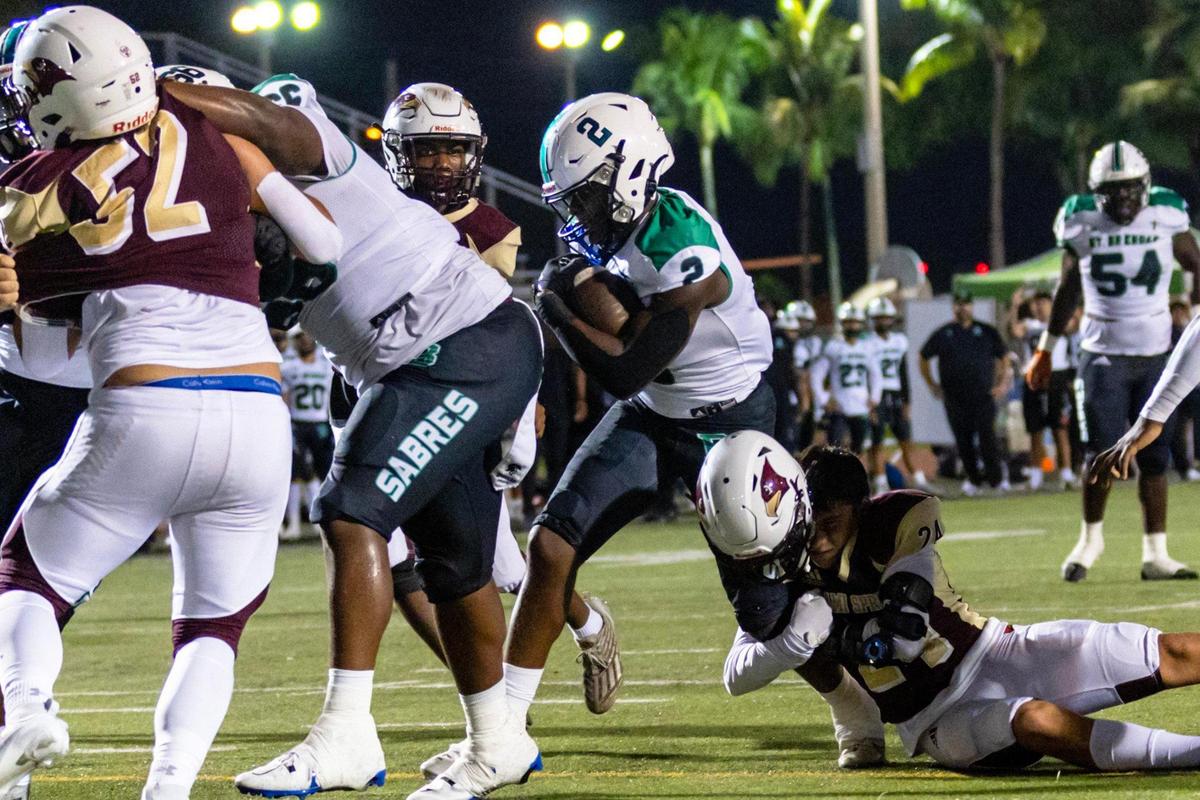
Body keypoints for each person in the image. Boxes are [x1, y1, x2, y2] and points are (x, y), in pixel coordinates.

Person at [164, 73, 544, 799]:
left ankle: (346, 731)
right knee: (456, 565)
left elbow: (256, 118)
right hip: (423, 359)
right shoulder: (212, 208)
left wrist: (136, 96)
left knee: (350, 510)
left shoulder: (307, 145)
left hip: (457, 341)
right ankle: (498, 740)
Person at [0, 9, 343, 799]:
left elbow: (39, 309)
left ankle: (25, 709)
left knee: (27, 578)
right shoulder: (221, 139)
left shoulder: (41, 185)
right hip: (258, 410)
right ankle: (168, 787)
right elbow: (324, 247)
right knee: (213, 628)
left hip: (145, 403)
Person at [488, 91, 775, 799]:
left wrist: (554, 305)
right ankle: (502, 729)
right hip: (653, 413)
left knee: (769, 614)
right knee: (551, 546)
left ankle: (853, 709)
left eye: (587, 196)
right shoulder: (618, 229)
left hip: (725, 421)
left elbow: (625, 367)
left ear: (632, 169)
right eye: (571, 201)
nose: (578, 215)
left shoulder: (683, 246)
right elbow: (633, 370)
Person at [700, 436, 1200, 775]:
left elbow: (903, 637)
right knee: (1035, 721)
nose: (820, 536)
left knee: (1175, 652)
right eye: (814, 521)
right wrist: (790, 642)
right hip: (936, 720)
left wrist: (832, 637)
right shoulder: (781, 561)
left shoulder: (892, 527)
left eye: (833, 519)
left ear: (860, 509)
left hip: (997, 651)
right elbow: (735, 675)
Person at [379, 83, 615, 759]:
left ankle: (589, 621)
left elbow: (473, 324)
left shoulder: (488, 230)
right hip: (388, 398)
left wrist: (515, 418)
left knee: (503, 570)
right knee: (398, 565)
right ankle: (487, 702)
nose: (443, 165)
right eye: (427, 151)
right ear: (400, 154)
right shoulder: (379, 214)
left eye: (454, 149)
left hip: (459, 400)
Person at [1026, 141, 1200, 582]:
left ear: (1145, 186)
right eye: (1111, 191)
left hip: (1158, 352)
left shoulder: (1167, 212)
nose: (1122, 200)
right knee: (1100, 451)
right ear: (1096, 191)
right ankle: (1090, 541)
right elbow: (1068, 287)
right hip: (1102, 353)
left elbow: (1196, 262)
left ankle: (1156, 553)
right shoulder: (1080, 218)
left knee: (1157, 453)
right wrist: (1046, 347)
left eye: (1129, 190)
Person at [919, 290, 1009, 495]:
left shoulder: (986, 331)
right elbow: (923, 356)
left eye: (966, 304)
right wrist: (931, 383)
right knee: (963, 440)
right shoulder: (945, 333)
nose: (963, 308)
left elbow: (1004, 357)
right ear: (954, 307)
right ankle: (973, 479)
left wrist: (1002, 383)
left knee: (987, 438)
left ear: (972, 306)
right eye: (959, 304)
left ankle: (996, 480)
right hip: (955, 397)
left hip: (983, 396)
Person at [1011, 286, 1076, 490]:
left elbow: (1074, 322)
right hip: (1034, 379)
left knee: (1060, 428)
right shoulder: (1029, 325)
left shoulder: (1060, 323)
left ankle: (1066, 473)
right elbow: (1014, 329)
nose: (1039, 306)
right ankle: (1037, 475)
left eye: (1043, 302)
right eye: (1036, 303)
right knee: (1035, 430)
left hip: (1057, 377)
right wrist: (1015, 306)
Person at [866, 297, 926, 492]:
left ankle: (917, 476)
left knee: (905, 436)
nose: (883, 322)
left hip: (896, 392)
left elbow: (903, 371)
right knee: (877, 439)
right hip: (877, 394)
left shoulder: (900, 341)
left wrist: (907, 400)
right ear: (872, 320)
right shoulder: (867, 343)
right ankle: (880, 480)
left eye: (886, 318)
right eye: (878, 318)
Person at [280, 329, 335, 540]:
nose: (304, 340)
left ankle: (322, 521)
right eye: (298, 337)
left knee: (325, 473)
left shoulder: (325, 366)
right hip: (298, 424)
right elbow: (285, 397)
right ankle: (296, 522)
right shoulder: (288, 367)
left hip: (321, 424)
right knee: (299, 472)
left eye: (306, 336)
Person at [810, 302, 880, 456]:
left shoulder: (867, 348)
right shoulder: (833, 347)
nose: (853, 326)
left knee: (858, 449)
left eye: (856, 322)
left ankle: (853, 479)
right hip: (839, 405)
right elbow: (816, 374)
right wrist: (824, 399)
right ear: (842, 324)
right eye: (849, 322)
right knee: (834, 449)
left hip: (861, 404)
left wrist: (875, 397)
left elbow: (876, 374)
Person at [787, 300, 823, 451]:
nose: (802, 325)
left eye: (806, 321)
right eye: (799, 321)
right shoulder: (783, 342)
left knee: (807, 443)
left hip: (809, 394)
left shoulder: (814, 342)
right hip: (791, 397)